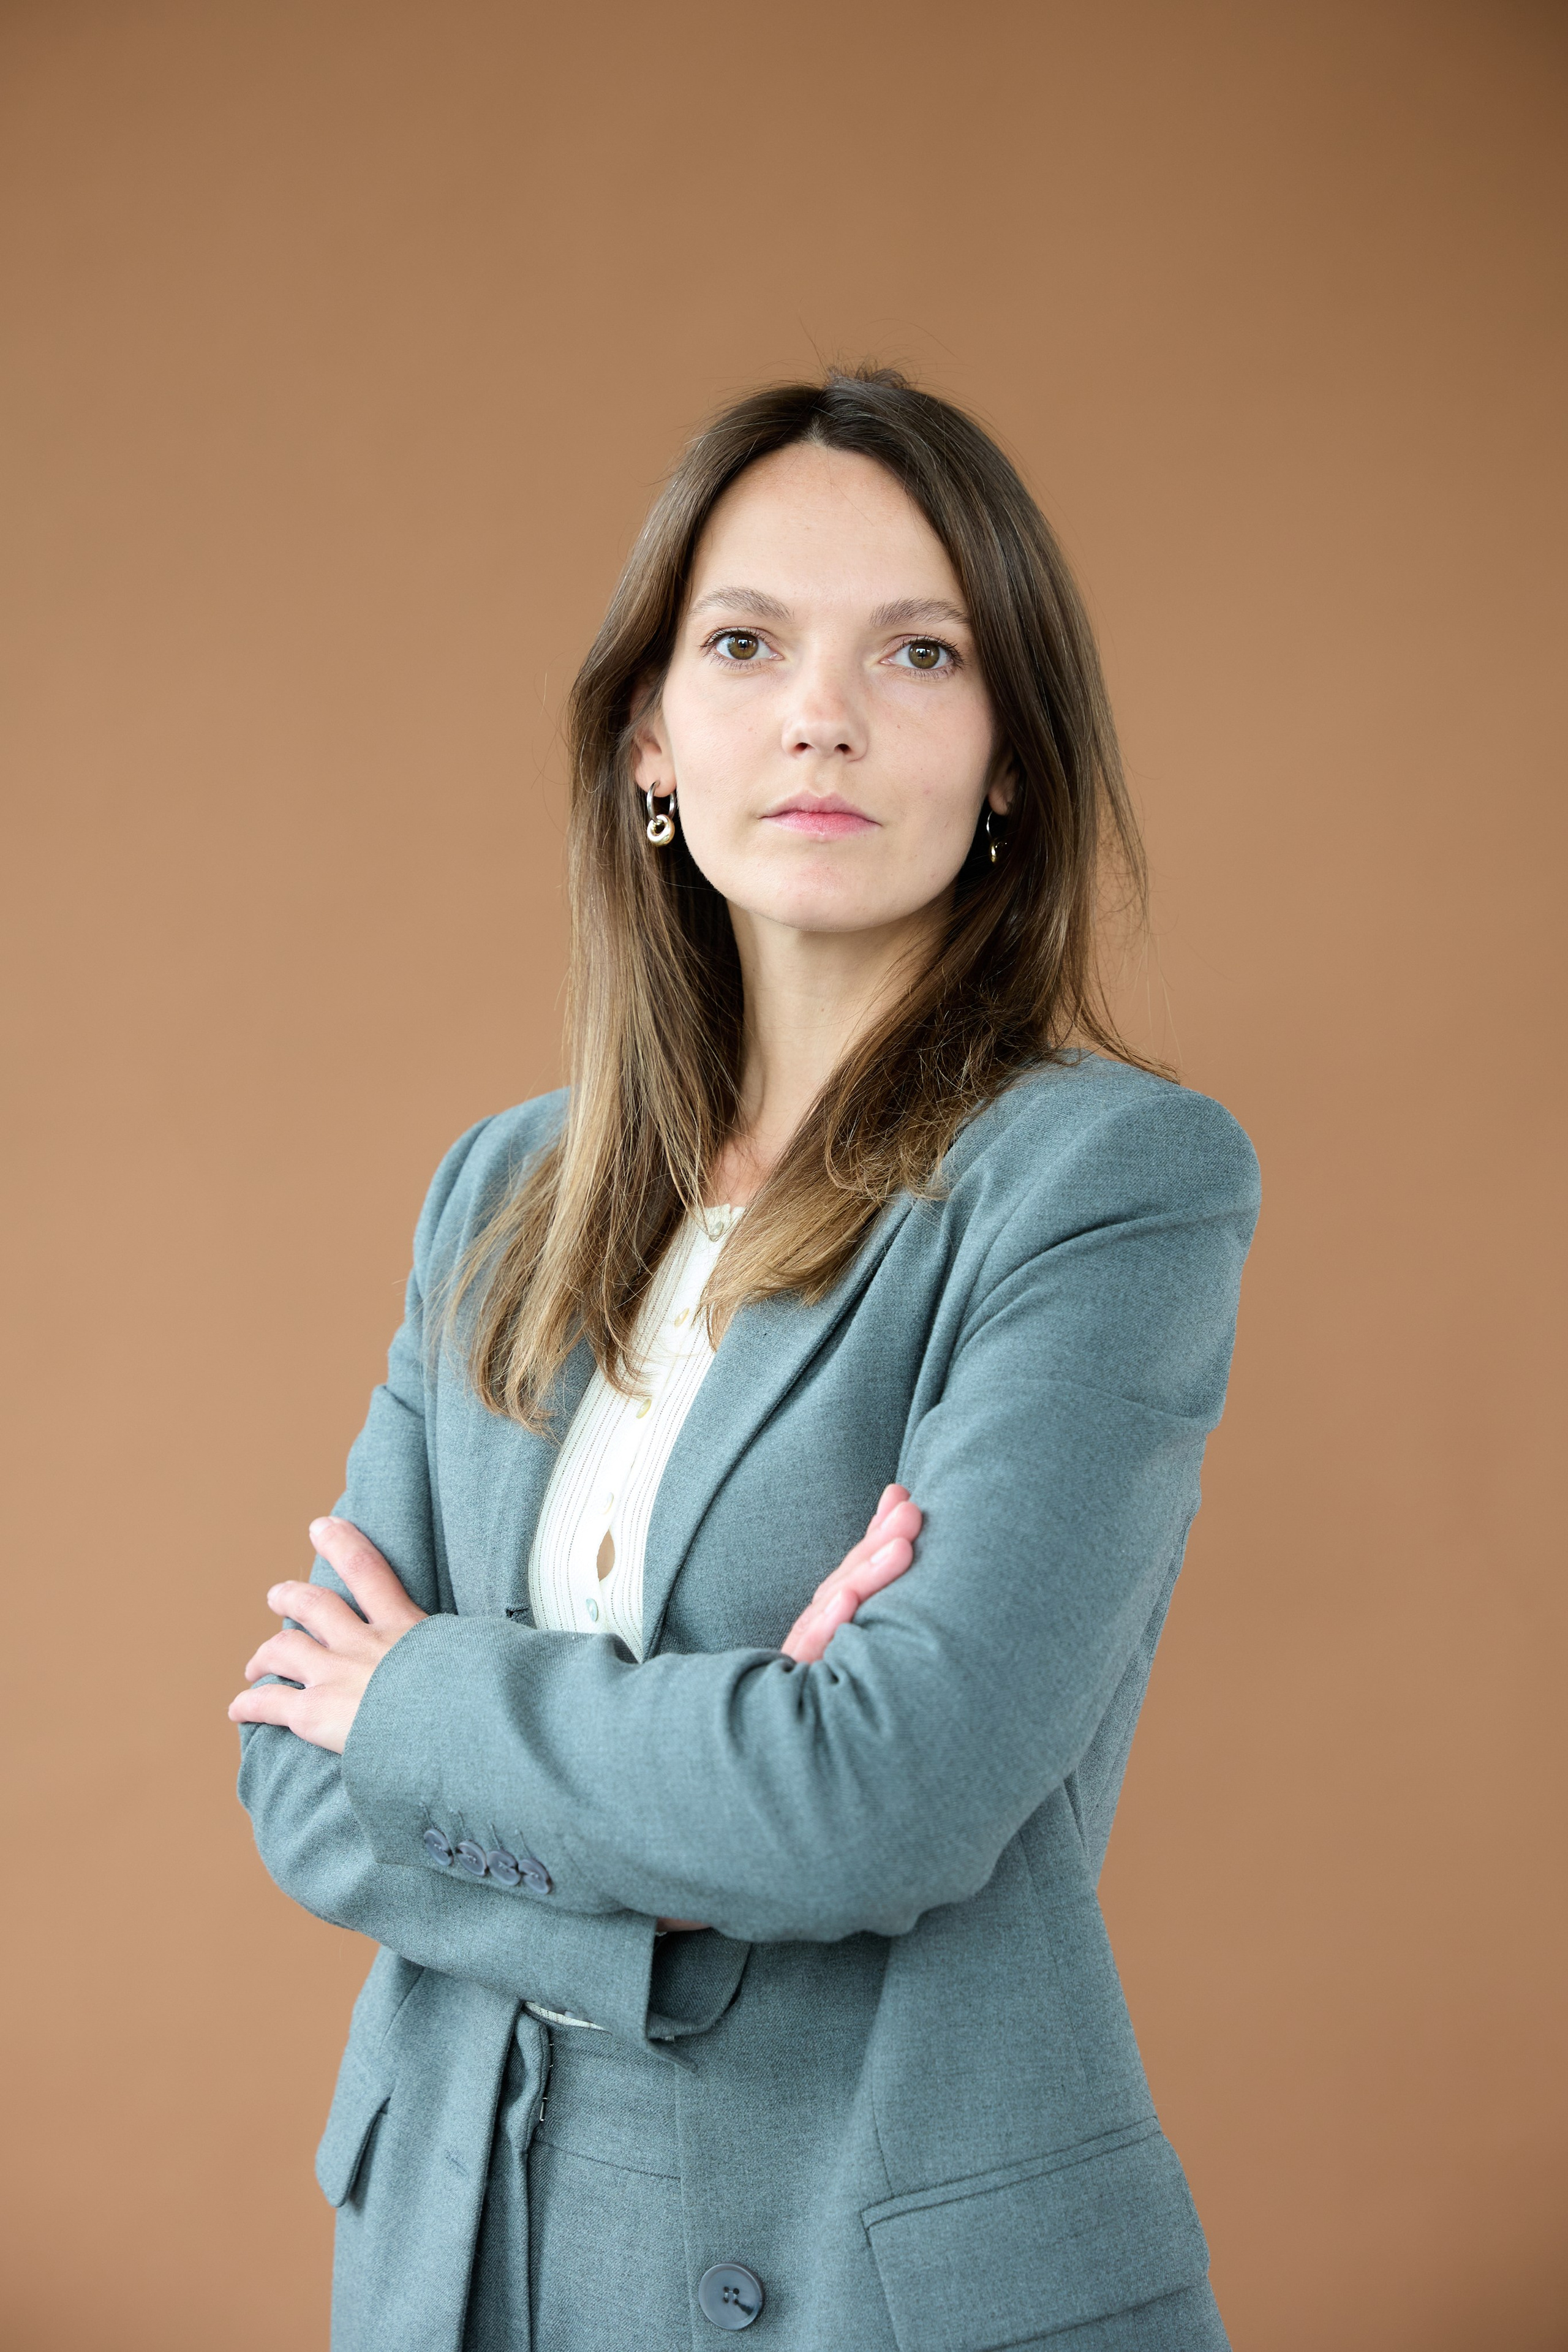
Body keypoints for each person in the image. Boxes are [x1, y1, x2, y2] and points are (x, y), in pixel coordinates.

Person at [231, 363, 1260, 2352]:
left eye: (921, 650)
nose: (824, 712)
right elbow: (293, 1768)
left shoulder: (1106, 1180)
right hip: (457, 2247)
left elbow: (885, 1798)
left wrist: (423, 1696)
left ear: (1014, 757)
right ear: (649, 739)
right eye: (745, 641)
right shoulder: (501, 1192)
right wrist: (708, 1822)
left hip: (862, 2268)